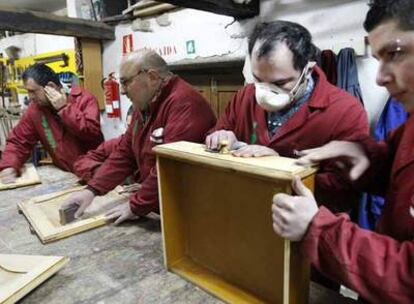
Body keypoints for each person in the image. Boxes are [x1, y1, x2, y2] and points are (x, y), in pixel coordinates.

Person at [271, 1, 414, 302]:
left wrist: (317, 230)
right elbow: (397, 161)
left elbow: (407, 278)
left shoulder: (344, 108)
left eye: (395, 53)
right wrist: (354, 153)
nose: (379, 76)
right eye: (378, 58)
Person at [206, 20, 369, 213]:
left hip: (306, 227)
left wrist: (282, 167)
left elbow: (345, 190)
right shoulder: (245, 97)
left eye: (280, 83)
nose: (265, 92)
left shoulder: (345, 111)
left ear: (307, 71)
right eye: (258, 79)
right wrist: (222, 138)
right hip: (247, 211)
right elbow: (216, 135)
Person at [61, 50, 216, 225]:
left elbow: (169, 167)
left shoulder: (184, 104)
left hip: (188, 212)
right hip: (159, 205)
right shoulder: (144, 105)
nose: (122, 91)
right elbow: (124, 153)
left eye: (125, 82)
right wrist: (91, 190)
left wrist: (135, 206)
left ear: (152, 77)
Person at [0, 63, 103, 183]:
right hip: (68, 177)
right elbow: (19, 142)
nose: (30, 97)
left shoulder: (84, 99)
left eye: (33, 91)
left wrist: (64, 109)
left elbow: (91, 132)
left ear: (51, 86)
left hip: (96, 174)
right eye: (28, 92)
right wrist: (9, 166)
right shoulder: (36, 109)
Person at [73, 105, 135, 183]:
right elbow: (81, 162)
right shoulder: (117, 143)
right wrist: (106, 173)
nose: (132, 132)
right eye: (129, 127)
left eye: (137, 127)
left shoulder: (152, 149)